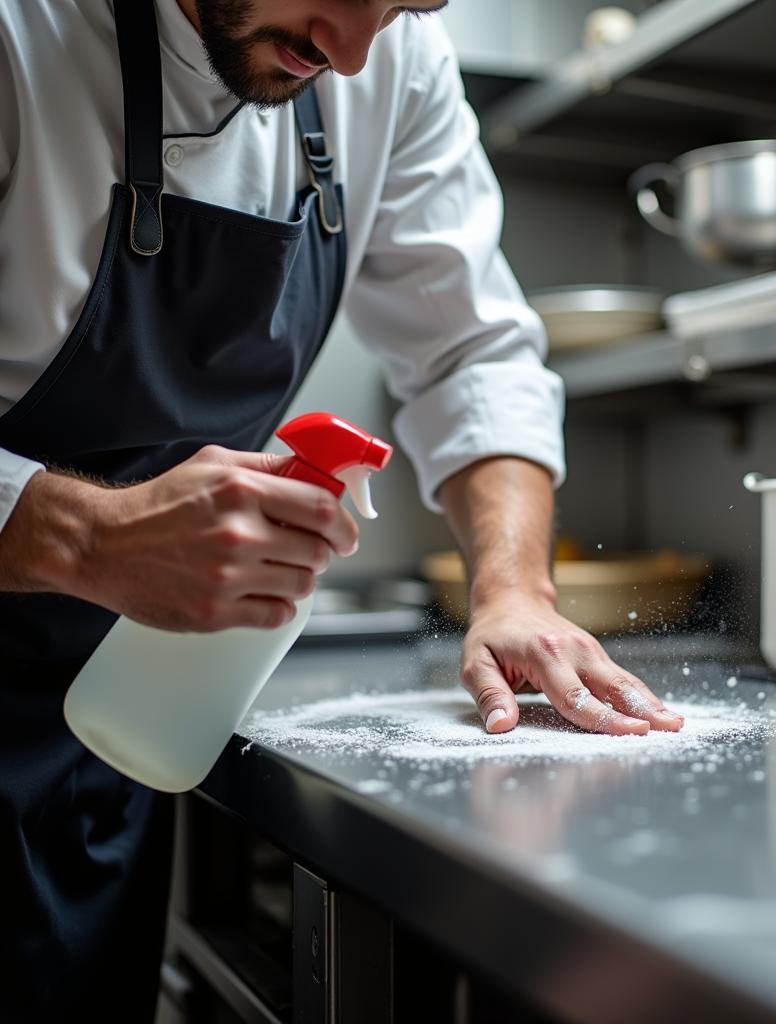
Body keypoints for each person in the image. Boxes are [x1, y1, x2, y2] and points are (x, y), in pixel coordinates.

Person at [0, 1, 684, 1017]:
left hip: (119, 721)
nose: (352, 54)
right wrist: (87, 535)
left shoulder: (390, 63)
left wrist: (513, 589)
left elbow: (469, 351)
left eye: (408, 2)